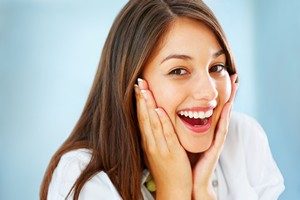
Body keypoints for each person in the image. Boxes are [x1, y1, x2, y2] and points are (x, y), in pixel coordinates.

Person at [40, 0, 285, 199]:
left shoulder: (243, 139)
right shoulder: (81, 175)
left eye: (217, 67)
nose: (209, 93)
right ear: (133, 85)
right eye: (178, 71)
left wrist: (203, 192)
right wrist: (175, 191)